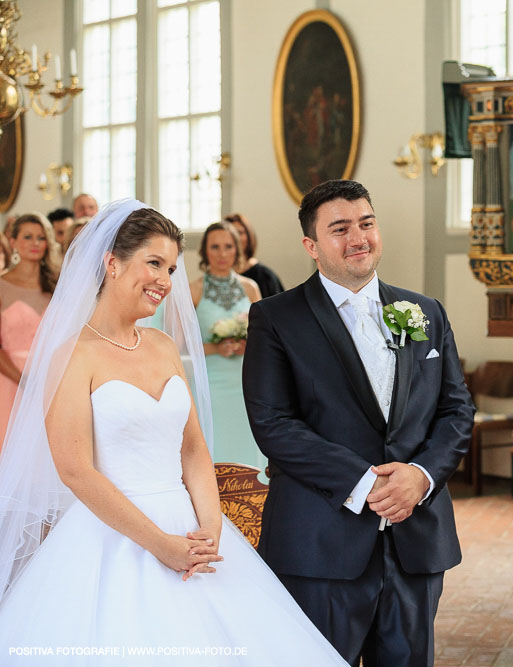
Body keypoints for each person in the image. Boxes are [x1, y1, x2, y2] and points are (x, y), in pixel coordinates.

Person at [0, 201, 347, 664]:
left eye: (171, 267)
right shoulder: (72, 355)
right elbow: (75, 470)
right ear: (112, 263)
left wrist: (211, 524)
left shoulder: (163, 346)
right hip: (110, 536)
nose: (165, 280)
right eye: (154, 263)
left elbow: (193, 447)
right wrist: (161, 544)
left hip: (190, 527)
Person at [243, 179, 475, 666]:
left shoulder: (426, 312)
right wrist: (363, 482)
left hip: (416, 538)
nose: (359, 238)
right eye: (340, 228)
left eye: (367, 223)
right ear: (312, 245)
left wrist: (422, 476)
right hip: (321, 541)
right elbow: (273, 423)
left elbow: (456, 410)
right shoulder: (276, 318)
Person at [191, 221, 262, 468]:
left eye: (228, 246)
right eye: (215, 247)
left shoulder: (250, 288)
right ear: (205, 251)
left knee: (248, 444)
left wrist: (247, 344)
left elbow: (263, 337)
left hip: (246, 381)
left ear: (237, 249)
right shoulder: (194, 290)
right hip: (212, 383)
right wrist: (215, 348)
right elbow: (179, 345)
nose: (222, 253)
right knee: (216, 446)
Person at [0, 213, 59, 444]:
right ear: (13, 242)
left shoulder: (56, 286)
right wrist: (24, 380)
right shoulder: (2, 286)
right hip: (10, 380)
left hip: (50, 379)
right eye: (28, 237)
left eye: (41, 238)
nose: (35, 243)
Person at [225, 212, 285, 299]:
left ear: (249, 236)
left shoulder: (265, 277)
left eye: (240, 233)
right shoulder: (217, 275)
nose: (235, 238)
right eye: (230, 233)